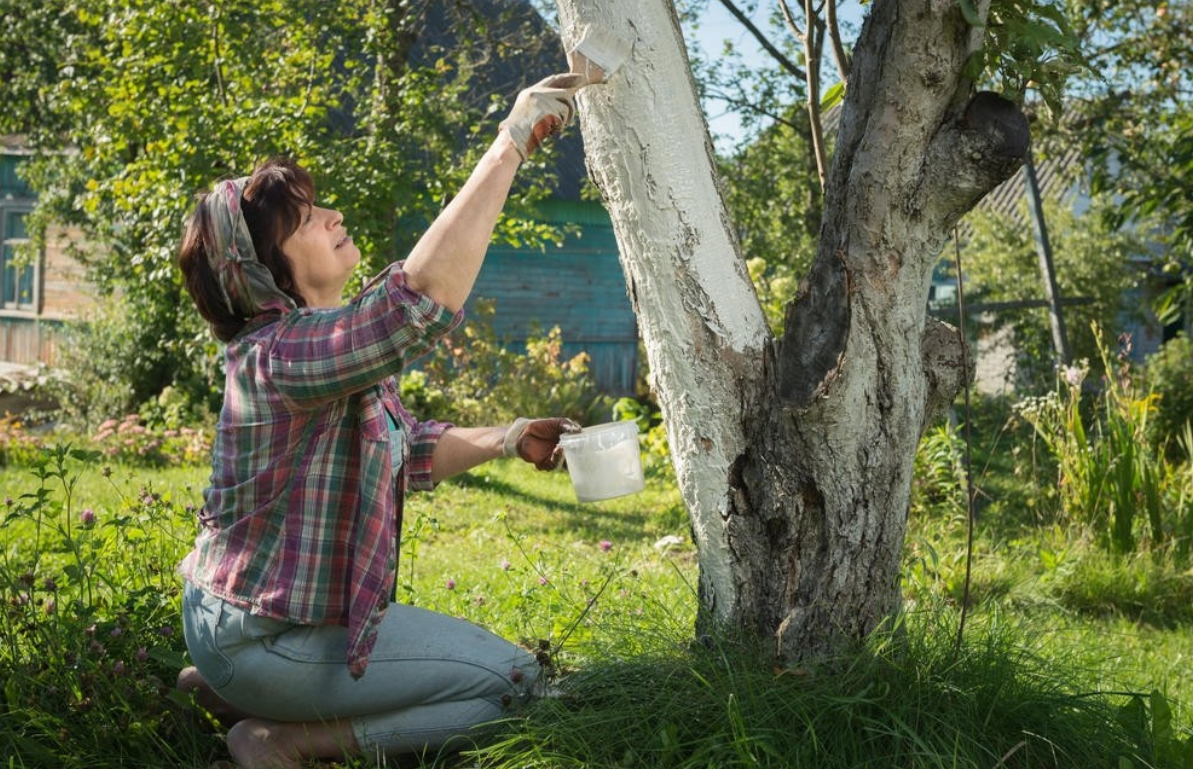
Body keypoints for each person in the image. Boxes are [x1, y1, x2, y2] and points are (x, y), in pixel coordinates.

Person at [173, 72, 588, 768]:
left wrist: (509, 437)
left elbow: (409, 447)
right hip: (270, 636)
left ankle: (226, 685)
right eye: (306, 219)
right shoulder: (279, 354)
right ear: (261, 269)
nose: (331, 215)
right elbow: (416, 300)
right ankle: (283, 735)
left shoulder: (315, 346)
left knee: (503, 673)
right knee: (524, 682)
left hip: (245, 627)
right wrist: (509, 143)